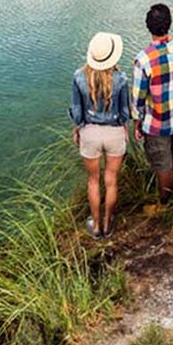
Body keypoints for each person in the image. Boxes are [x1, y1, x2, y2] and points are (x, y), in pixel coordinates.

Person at [131, 4, 173, 212]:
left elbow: (138, 99)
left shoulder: (144, 60)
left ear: (148, 27)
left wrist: (137, 122)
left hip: (157, 123)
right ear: (169, 24)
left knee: (162, 165)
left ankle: (165, 205)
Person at [71, 32, 131, 238]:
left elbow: (77, 111)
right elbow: (125, 113)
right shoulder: (121, 78)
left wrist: (78, 129)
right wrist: (125, 129)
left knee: (93, 180)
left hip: (90, 133)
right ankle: (108, 223)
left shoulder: (79, 76)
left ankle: (96, 227)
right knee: (111, 180)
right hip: (114, 133)